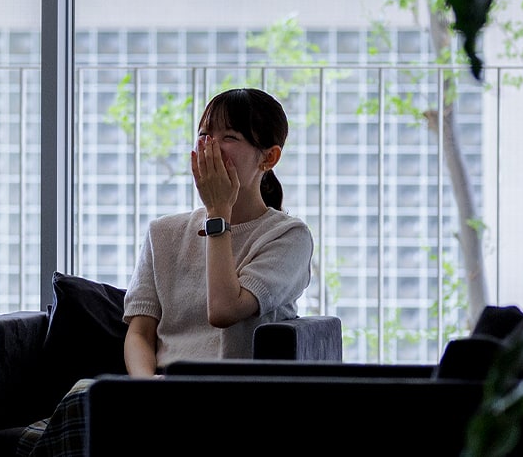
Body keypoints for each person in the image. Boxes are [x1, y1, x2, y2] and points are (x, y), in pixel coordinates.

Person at [18, 87, 315, 457]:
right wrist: (144, 386)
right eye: (204, 135)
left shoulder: (288, 236)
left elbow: (224, 309)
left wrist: (217, 214)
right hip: (158, 390)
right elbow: (140, 332)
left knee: (78, 409)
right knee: (86, 398)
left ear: (269, 158)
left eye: (229, 137)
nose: (210, 147)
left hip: (233, 398)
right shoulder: (164, 232)